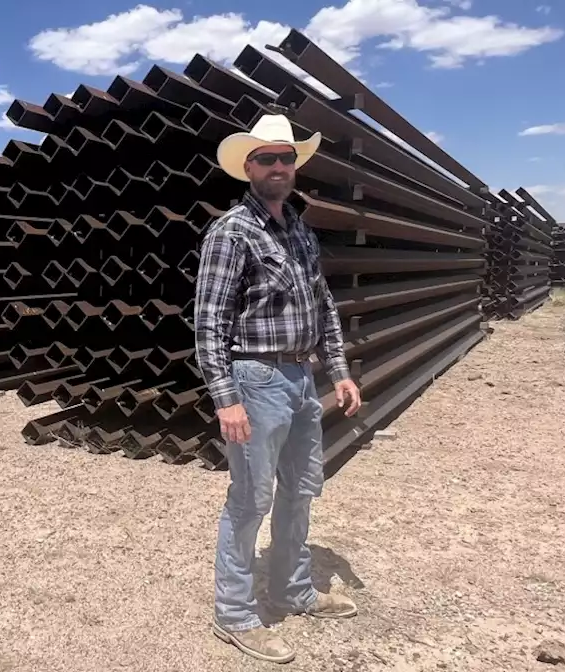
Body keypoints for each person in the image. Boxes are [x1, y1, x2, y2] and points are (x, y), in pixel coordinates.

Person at [194, 113, 363, 664]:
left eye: (286, 158)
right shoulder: (231, 232)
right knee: (250, 499)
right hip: (256, 378)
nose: (279, 167)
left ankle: (292, 589)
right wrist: (226, 398)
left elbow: (324, 306)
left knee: (301, 487)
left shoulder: (298, 229)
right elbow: (209, 322)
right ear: (248, 167)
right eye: (267, 158)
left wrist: (338, 369)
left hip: (300, 376)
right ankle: (235, 613)